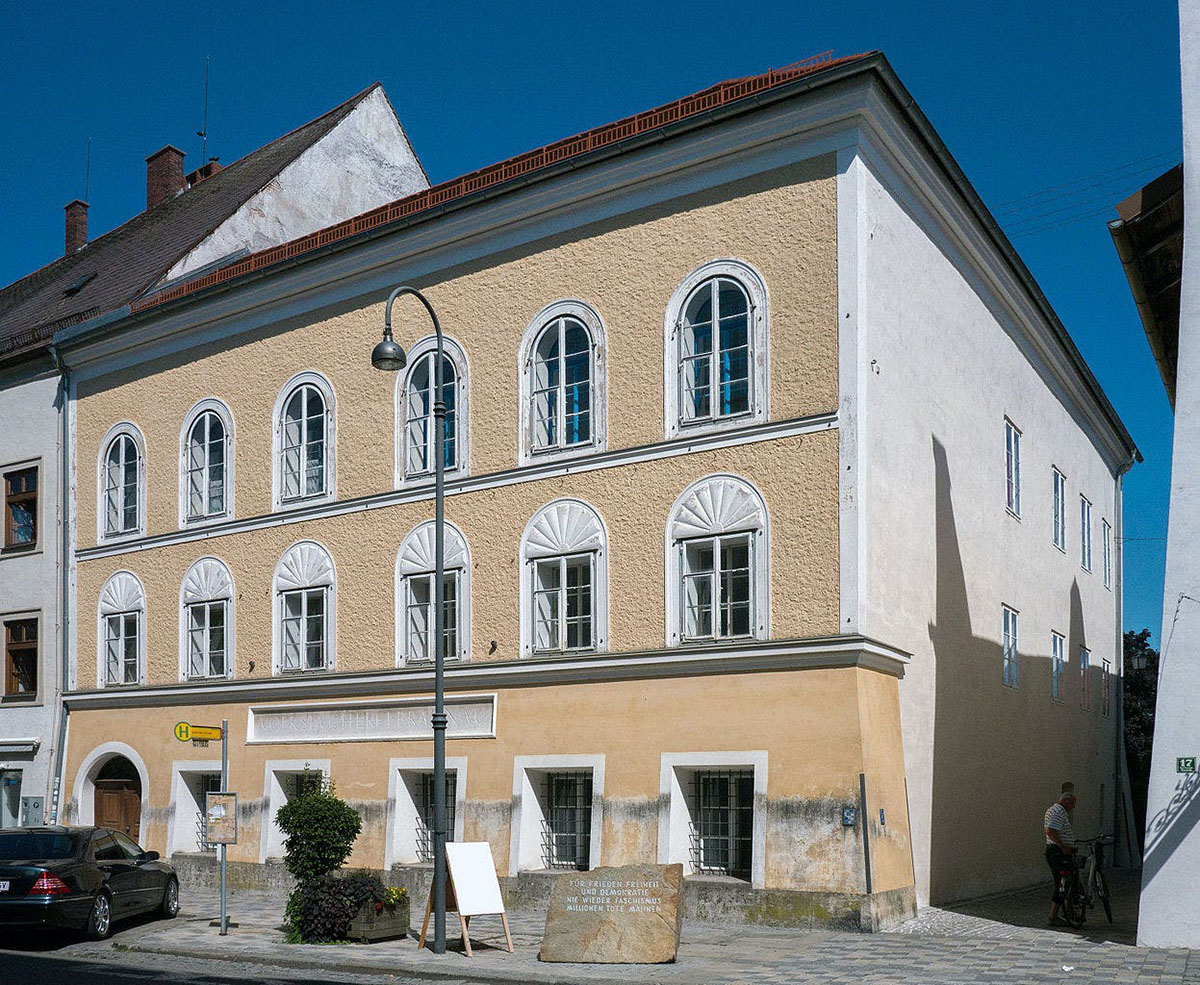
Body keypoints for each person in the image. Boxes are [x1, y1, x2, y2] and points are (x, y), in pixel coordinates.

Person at [1044, 790, 1078, 925]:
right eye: (1072, 804)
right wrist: (1064, 847)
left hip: (1056, 851)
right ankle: (1055, 916)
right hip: (1058, 852)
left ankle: (1066, 913)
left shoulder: (1056, 811)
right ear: (1065, 801)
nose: (1073, 807)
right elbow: (1050, 831)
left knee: (1064, 881)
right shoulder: (1058, 812)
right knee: (1063, 882)